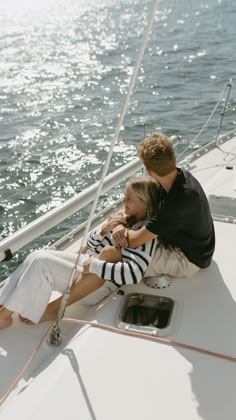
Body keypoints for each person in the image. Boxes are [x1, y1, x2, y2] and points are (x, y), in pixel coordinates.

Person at [0, 177, 160, 329]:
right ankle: (3, 305)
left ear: (145, 204)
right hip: (86, 267)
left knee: (42, 262)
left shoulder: (144, 234)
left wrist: (94, 265)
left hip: (98, 286)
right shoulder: (123, 217)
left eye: (129, 199)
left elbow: (134, 274)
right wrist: (104, 230)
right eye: (125, 196)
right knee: (36, 255)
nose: (123, 201)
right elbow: (90, 244)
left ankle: (4, 318)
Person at [112, 132, 215, 278]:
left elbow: (134, 241)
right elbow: (138, 208)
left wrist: (121, 230)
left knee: (113, 255)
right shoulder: (178, 177)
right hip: (191, 244)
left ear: (149, 171)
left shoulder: (180, 201)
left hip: (188, 259)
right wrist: (119, 225)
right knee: (113, 240)